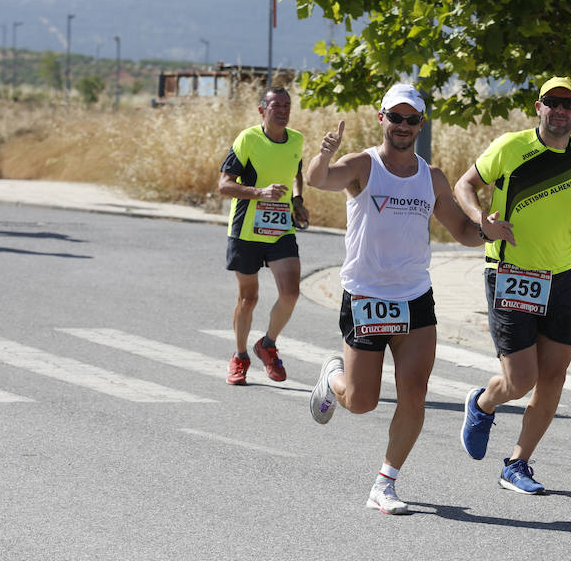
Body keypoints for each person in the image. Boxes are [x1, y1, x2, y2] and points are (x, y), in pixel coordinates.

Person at [306, 83, 516, 514]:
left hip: (415, 297)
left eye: (411, 119)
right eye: (395, 117)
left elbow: (459, 231)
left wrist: (485, 231)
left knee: (414, 396)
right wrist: (325, 152)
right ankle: (332, 378)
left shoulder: (431, 176)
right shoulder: (364, 164)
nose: (403, 126)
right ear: (381, 118)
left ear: (421, 124)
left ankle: (385, 483)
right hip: (366, 294)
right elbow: (318, 180)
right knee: (362, 402)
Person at [454, 76, 571, 494]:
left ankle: (517, 463)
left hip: (561, 277)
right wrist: (482, 219)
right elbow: (464, 185)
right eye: (553, 102)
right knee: (520, 380)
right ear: (539, 107)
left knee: (554, 376)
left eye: (569, 104)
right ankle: (482, 403)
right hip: (511, 272)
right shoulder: (510, 147)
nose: (560, 110)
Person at [218, 86, 308, 385]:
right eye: (275, 105)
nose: (282, 110)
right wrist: (260, 193)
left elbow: (296, 172)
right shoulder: (248, 139)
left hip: (281, 226)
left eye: (286, 105)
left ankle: (267, 345)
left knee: (291, 292)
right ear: (262, 110)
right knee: (248, 297)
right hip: (246, 227)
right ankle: (240, 355)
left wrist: (297, 202)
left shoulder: (296, 139)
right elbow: (224, 185)